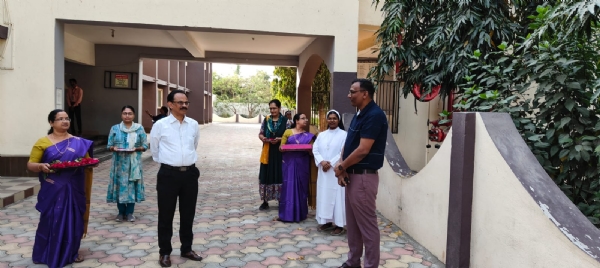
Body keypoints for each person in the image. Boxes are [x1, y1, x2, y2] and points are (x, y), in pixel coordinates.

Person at [26, 109, 96, 267]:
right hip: (52, 187)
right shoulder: (42, 142)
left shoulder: (79, 142)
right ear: (51, 123)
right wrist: (41, 166)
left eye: (67, 118)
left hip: (74, 186)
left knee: (74, 218)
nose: (65, 121)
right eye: (60, 119)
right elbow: (31, 164)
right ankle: (45, 252)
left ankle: (72, 251)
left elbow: (86, 161)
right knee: (51, 218)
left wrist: (90, 163)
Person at [334, 79, 388, 268]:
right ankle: (353, 262)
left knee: (368, 227)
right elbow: (348, 144)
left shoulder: (374, 115)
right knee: (354, 225)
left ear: (365, 93)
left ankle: (371, 265)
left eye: (352, 92)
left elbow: (363, 149)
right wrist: (342, 166)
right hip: (352, 176)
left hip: (364, 177)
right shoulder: (359, 115)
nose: (349, 95)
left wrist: (341, 167)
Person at [150, 90, 203, 267]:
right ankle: (164, 252)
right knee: (166, 215)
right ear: (170, 104)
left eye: (186, 102)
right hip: (168, 175)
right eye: (180, 102)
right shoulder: (161, 125)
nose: (184, 105)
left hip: (189, 174)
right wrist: (169, 163)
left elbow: (194, 145)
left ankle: (186, 248)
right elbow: (155, 149)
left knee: (188, 214)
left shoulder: (193, 124)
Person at [107, 105, 148, 222]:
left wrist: (136, 149)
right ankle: (120, 212)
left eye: (130, 113)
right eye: (125, 113)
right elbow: (109, 145)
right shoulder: (115, 128)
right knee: (119, 187)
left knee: (131, 187)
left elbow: (145, 145)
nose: (127, 116)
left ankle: (130, 212)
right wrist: (113, 148)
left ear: (134, 115)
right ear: (121, 115)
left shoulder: (139, 129)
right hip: (118, 164)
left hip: (133, 164)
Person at [313, 110, 347, 235]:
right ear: (326, 120)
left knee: (337, 197)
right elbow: (315, 149)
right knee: (324, 196)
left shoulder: (344, 134)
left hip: (336, 171)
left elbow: (343, 152)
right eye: (330, 118)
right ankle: (326, 221)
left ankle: (339, 224)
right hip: (323, 172)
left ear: (338, 120)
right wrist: (322, 162)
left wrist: (331, 163)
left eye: (334, 118)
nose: (332, 120)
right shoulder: (321, 135)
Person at [277, 113, 315, 222]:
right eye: (303, 118)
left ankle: (301, 214)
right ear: (296, 121)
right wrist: (286, 148)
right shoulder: (288, 132)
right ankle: (286, 214)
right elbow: (281, 147)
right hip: (289, 163)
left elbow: (312, 152)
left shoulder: (309, 135)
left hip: (302, 163)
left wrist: (309, 149)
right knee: (289, 186)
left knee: (301, 187)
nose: (306, 120)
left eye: (306, 118)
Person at [257, 99, 287, 210]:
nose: (272, 110)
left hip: (280, 152)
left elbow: (289, 136)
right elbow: (260, 133)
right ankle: (265, 201)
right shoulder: (266, 119)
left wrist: (280, 139)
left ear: (279, 108)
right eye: (271, 108)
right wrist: (263, 138)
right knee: (266, 173)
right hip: (268, 151)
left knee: (279, 173)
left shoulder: (285, 121)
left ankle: (280, 200)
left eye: (274, 108)